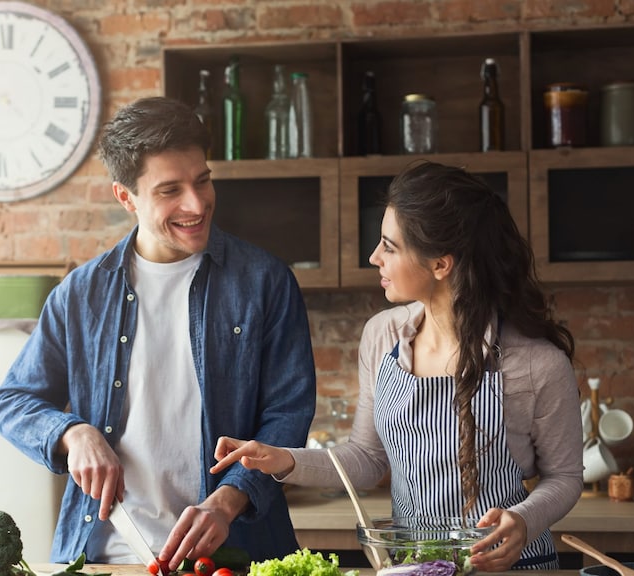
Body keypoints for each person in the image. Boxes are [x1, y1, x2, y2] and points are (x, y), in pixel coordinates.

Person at [213, 161, 583, 572]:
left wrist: (524, 521)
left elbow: (565, 476)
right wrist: (281, 459)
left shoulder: (537, 364)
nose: (375, 257)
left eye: (389, 247)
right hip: (413, 567)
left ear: (440, 264)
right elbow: (366, 458)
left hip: (511, 568)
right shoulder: (382, 336)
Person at [0, 96, 317, 567]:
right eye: (170, 190)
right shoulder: (80, 294)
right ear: (125, 197)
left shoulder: (265, 282)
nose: (196, 204)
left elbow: (288, 413)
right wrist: (73, 433)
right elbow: (15, 401)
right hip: (107, 555)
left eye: (202, 180)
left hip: (236, 553)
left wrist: (227, 500)